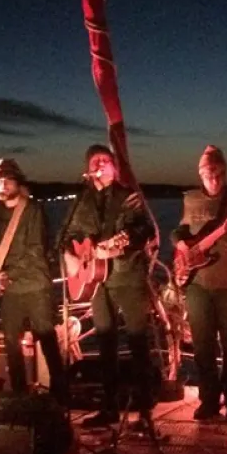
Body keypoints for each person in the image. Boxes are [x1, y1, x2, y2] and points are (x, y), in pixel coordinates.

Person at [61, 144, 155, 428]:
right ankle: (109, 408)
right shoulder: (83, 201)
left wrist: (117, 247)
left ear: (114, 168)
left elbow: (144, 231)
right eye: (94, 161)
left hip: (127, 278)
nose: (99, 164)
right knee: (105, 345)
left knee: (138, 344)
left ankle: (146, 413)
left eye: (105, 160)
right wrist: (71, 257)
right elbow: (69, 235)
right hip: (97, 283)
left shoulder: (128, 198)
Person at [171, 145, 227, 422]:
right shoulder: (191, 200)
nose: (213, 177)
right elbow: (181, 230)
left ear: (225, 172)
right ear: (200, 174)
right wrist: (179, 242)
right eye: (208, 172)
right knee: (202, 346)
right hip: (198, 284)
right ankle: (208, 400)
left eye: (218, 172)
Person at [0, 158, 68, 404]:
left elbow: (35, 251)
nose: (2, 183)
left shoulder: (33, 210)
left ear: (17, 183)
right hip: (10, 288)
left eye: (7, 179)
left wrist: (5, 276)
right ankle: (20, 395)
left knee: (47, 339)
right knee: (11, 341)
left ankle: (60, 395)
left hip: (35, 284)